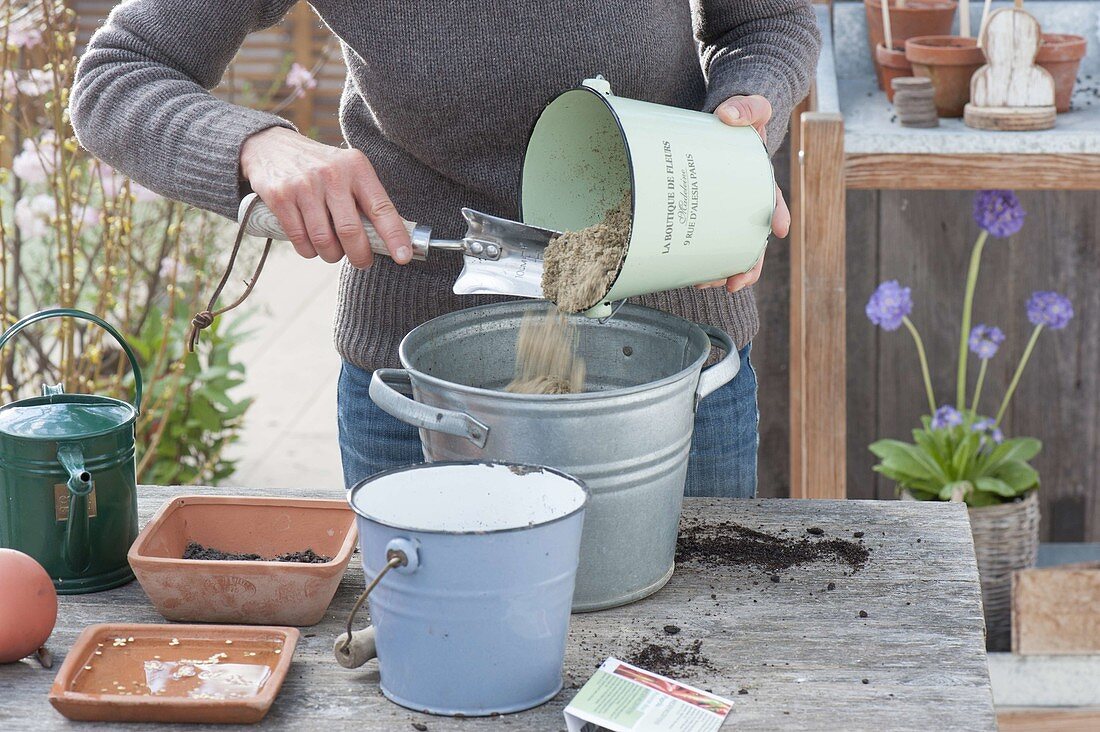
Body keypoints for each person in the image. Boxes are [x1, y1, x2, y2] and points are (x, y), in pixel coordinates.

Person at [71, 1, 821, 498]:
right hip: (422, 392)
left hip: (671, 370)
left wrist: (747, 113)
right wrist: (255, 146)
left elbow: (767, 22)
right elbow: (118, 75)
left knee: (687, 659)